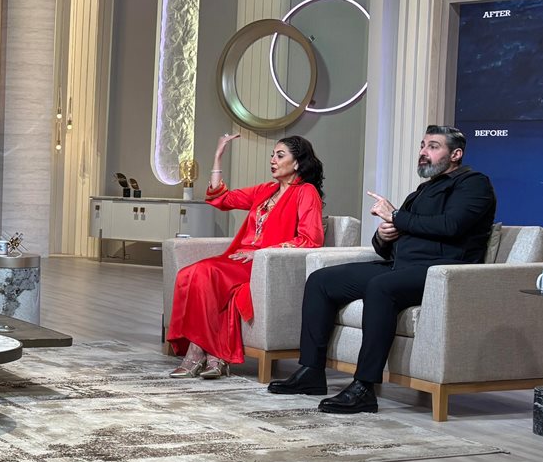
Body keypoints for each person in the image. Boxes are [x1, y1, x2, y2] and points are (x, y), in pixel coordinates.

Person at [269, 124, 496, 414]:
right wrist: (384, 236)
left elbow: (451, 226)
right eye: (423, 145)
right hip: (402, 267)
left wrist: (397, 216)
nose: (423, 152)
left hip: (443, 272)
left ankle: (364, 387)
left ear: (456, 154)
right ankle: (311, 371)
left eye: (433, 146)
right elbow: (396, 241)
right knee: (321, 280)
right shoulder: (423, 190)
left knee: (381, 287)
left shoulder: (473, 184)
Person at [167, 133, 326, 379]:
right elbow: (221, 198)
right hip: (238, 258)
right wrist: (218, 156)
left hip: (264, 264)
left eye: (280, 155)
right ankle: (214, 356)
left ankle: (196, 353)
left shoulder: (306, 192)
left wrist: (262, 254)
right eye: (272, 155)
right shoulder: (266, 190)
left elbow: (310, 238)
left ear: (296, 163)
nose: (273, 160)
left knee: (205, 272)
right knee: (188, 273)